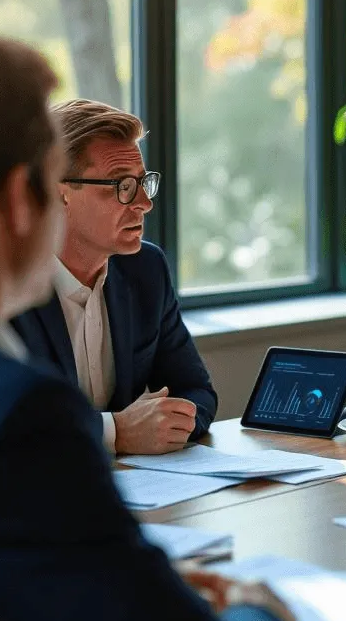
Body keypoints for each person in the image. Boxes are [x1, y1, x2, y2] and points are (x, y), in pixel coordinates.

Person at [0, 21, 307, 621]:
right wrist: (259, 615)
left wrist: (117, 589)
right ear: (21, 198)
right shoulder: (17, 418)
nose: (142, 204)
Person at [11, 98, 217, 455]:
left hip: (135, 488)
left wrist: (169, 423)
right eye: (122, 186)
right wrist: (116, 432)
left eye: (143, 183)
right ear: (59, 191)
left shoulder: (146, 269)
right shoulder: (6, 285)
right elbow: (9, 425)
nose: (144, 204)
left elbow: (196, 390)